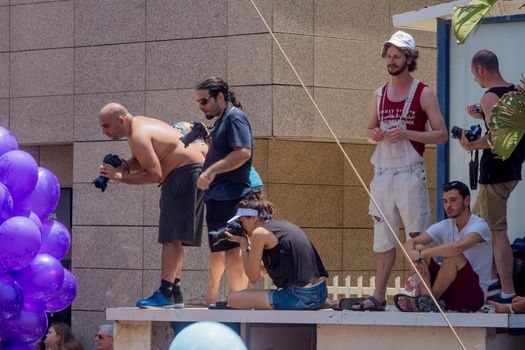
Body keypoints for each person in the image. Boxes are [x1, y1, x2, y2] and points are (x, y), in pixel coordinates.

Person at [353, 31, 447, 311]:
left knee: (416, 237)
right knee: (382, 238)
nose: (391, 61)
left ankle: (421, 293)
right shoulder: (379, 93)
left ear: (410, 58)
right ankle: (378, 295)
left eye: (397, 56)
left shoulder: (424, 92)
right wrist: (376, 134)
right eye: (389, 56)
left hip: (409, 172)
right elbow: (369, 129)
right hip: (382, 173)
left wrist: (407, 133)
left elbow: (441, 134)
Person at [98, 103, 205, 308]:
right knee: (176, 237)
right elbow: (148, 158)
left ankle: (165, 293)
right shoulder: (140, 125)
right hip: (188, 171)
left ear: (120, 120)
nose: (104, 131)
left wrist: (120, 177)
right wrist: (126, 165)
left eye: (106, 126)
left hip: (183, 173)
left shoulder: (138, 134)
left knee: (171, 237)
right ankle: (174, 291)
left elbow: (154, 174)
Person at [460, 49, 525, 304]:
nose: (475, 79)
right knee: (475, 224)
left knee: (497, 231)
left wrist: (471, 145)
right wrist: (481, 114)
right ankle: (492, 279)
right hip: (512, 170)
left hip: (494, 172)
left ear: (480, 70)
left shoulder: (489, 97)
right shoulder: (515, 93)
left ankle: (507, 290)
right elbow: (511, 128)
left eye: (474, 74)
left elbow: (497, 140)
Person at [193, 77, 253, 306]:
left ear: (220, 96)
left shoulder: (235, 116)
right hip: (218, 196)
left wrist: (210, 173)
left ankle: (239, 298)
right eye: (198, 102)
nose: (201, 106)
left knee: (232, 249)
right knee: (219, 247)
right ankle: (213, 295)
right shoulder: (222, 120)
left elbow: (243, 153)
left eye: (204, 101)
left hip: (232, 195)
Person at [393, 181, 492, 312]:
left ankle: (428, 301)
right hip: (447, 293)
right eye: (445, 201)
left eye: (453, 200)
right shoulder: (445, 225)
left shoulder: (480, 226)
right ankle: (427, 301)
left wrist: (421, 255)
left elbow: (457, 248)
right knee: (418, 247)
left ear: (466, 200)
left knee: (453, 256)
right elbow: (410, 243)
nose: (448, 205)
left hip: (472, 297)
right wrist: (416, 260)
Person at [225, 196, 329, 310]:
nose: (241, 226)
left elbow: (252, 277)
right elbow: (263, 272)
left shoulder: (259, 233)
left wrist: (244, 244)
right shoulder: (283, 226)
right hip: (321, 292)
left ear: (254, 218)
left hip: (299, 296)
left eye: (242, 221)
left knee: (233, 299)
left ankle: (310, 303)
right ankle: (329, 303)